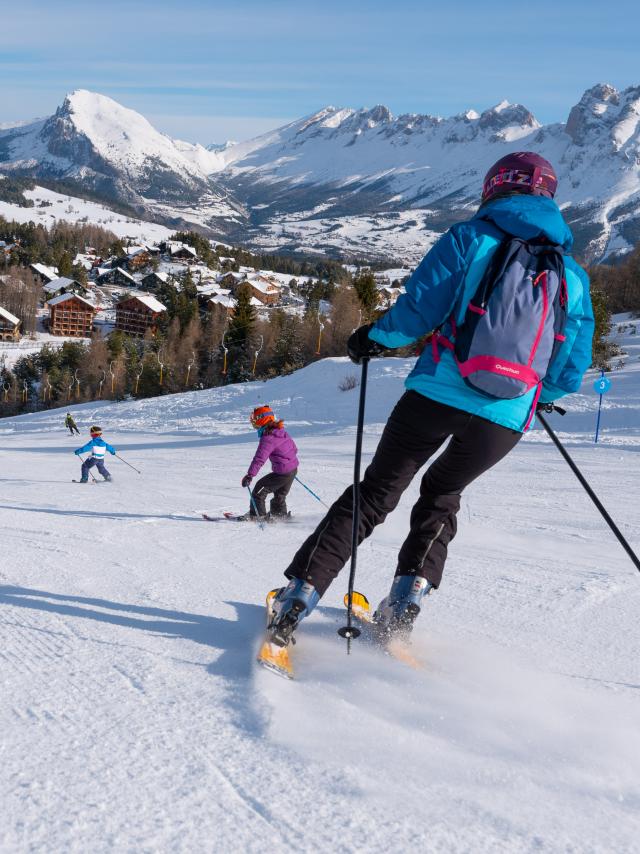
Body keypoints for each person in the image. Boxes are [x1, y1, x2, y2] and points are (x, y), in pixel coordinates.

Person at [265, 151, 594, 649]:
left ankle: (297, 597)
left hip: (435, 394)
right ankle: (403, 604)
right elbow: (571, 363)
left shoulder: (469, 238)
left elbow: (418, 312)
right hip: (502, 420)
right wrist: (537, 395)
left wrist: (372, 339)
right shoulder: (572, 275)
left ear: (493, 188)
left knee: (375, 495)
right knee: (442, 497)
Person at [242, 405, 299, 520]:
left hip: (283, 472)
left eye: (255, 420)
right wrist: (289, 466)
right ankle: (279, 515)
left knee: (258, 492)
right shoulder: (280, 431)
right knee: (279, 495)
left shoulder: (268, 438)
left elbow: (259, 459)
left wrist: (250, 475)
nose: (253, 423)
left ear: (262, 419)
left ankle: (258, 516)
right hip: (292, 470)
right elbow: (294, 448)